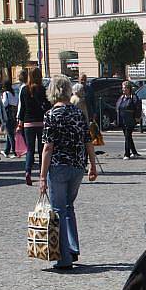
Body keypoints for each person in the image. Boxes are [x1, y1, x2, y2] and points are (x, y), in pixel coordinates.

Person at [38, 75, 98, 270]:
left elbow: (48, 147)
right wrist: (93, 165)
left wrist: (41, 176)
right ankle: (73, 248)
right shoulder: (78, 113)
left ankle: (63, 258)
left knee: (58, 210)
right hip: (77, 166)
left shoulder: (50, 115)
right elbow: (87, 140)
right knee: (69, 207)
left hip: (58, 167)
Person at [19, 68, 51, 186]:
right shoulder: (42, 89)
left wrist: (20, 122)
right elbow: (47, 105)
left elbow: (22, 108)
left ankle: (28, 171)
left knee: (30, 150)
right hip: (41, 122)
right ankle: (43, 174)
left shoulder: (24, 90)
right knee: (42, 149)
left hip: (28, 122)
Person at [116, 81, 141, 160]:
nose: (123, 90)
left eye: (124, 88)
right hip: (122, 119)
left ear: (129, 88)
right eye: (122, 88)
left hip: (130, 119)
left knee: (127, 136)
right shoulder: (121, 97)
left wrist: (137, 117)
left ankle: (127, 154)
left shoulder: (133, 97)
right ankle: (134, 152)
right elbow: (117, 106)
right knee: (128, 137)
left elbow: (137, 107)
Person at [1, 81, 19, 158]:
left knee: (10, 133)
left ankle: (15, 151)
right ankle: (6, 151)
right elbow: (17, 102)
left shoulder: (6, 94)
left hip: (8, 114)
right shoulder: (14, 93)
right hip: (14, 114)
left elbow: (4, 103)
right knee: (10, 133)